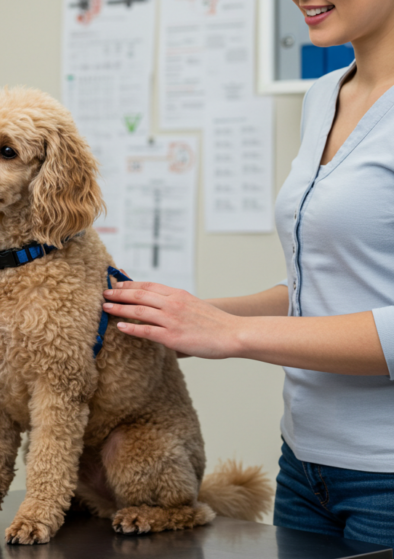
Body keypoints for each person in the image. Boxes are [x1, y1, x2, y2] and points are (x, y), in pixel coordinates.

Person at [101, 0, 394, 548]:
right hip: (304, 467)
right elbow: (324, 289)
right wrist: (181, 320)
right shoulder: (323, 96)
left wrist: (229, 335)